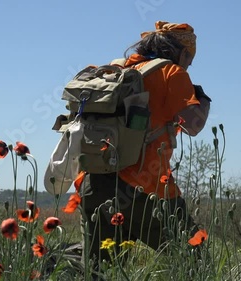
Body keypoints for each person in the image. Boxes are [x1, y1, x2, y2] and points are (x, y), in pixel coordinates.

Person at [80, 20, 211, 276]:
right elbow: (193, 125)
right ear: (183, 53)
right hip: (147, 190)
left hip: (95, 185)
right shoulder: (171, 72)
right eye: (189, 60)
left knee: (101, 273)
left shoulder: (119, 69)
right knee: (196, 258)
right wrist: (202, 97)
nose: (188, 66)